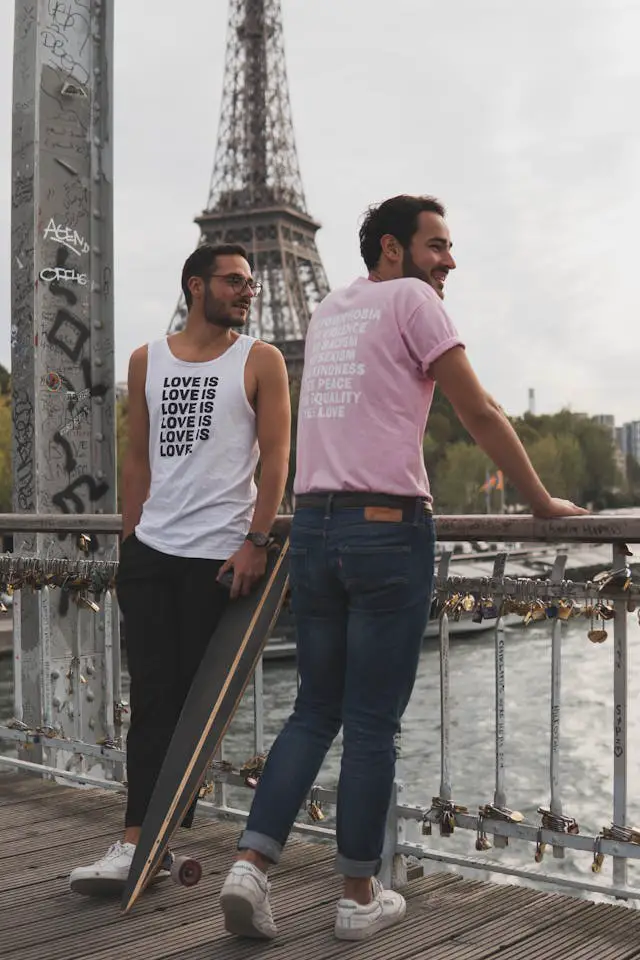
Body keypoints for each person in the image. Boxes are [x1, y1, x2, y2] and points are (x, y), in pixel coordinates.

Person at [218, 195, 587, 940]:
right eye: (437, 245)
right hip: (386, 530)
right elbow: (478, 410)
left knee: (313, 710)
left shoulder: (328, 312)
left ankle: (251, 866)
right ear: (393, 249)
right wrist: (540, 502)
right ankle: (357, 895)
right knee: (372, 724)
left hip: (315, 527)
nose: (448, 260)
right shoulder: (415, 303)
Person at [69, 243, 291, 895]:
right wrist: (130, 542)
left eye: (250, 281)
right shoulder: (146, 360)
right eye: (233, 280)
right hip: (152, 554)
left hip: (220, 558)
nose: (247, 290)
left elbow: (277, 459)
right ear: (197, 286)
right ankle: (140, 841)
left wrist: (256, 540)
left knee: (195, 708)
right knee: (152, 702)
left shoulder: (262, 360)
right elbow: (137, 459)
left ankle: (155, 839)